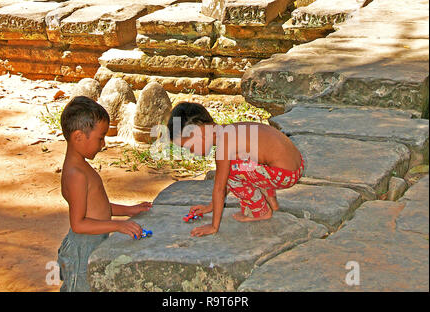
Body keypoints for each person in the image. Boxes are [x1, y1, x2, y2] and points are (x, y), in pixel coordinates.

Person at [167, 102, 304, 237]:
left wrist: (214, 226)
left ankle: (261, 211)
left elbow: (220, 187)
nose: (191, 152)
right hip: (295, 166)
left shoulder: (223, 144)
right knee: (240, 163)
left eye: (190, 147)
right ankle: (271, 202)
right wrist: (211, 206)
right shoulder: (230, 130)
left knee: (233, 169)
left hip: (286, 175)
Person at [57, 96, 152, 291]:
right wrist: (118, 225)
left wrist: (129, 210)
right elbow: (79, 224)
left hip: (91, 242)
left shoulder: (81, 167)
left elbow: (96, 208)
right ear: (78, 137)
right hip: (82, 249)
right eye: (100, 137)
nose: (103, 144)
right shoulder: (76, 175)